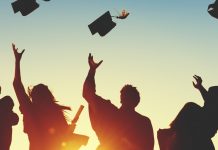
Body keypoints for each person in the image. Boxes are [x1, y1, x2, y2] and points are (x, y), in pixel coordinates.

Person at [83, 53, 154, 150]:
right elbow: (88, 94)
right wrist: (92, 71)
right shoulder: (111, 113)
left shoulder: (142, 121)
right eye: (126, 95)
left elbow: (88, 94)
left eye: (128, 96)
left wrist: (92, 70)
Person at [12, 43, 73, 150]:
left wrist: (17, 61)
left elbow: (17, 85)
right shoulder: (53, 112)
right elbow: (66, 138)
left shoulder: (30, 110)